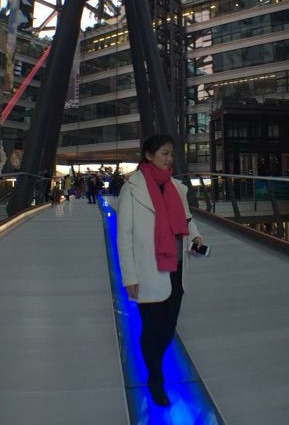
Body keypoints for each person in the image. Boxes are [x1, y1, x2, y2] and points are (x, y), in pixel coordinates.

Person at [117, 134, 203, 407]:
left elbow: (187, 220)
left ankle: (155, 367)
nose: (169, 159)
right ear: (149, 155)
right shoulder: (132, 189)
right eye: (164, 153)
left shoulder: (177, 187)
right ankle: (155, 379)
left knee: (168, 328)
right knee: (152, 328)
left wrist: (196, 236)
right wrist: (129, 276)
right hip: (148, 269)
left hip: (177, 267)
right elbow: (124, 236)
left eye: (170, 154)